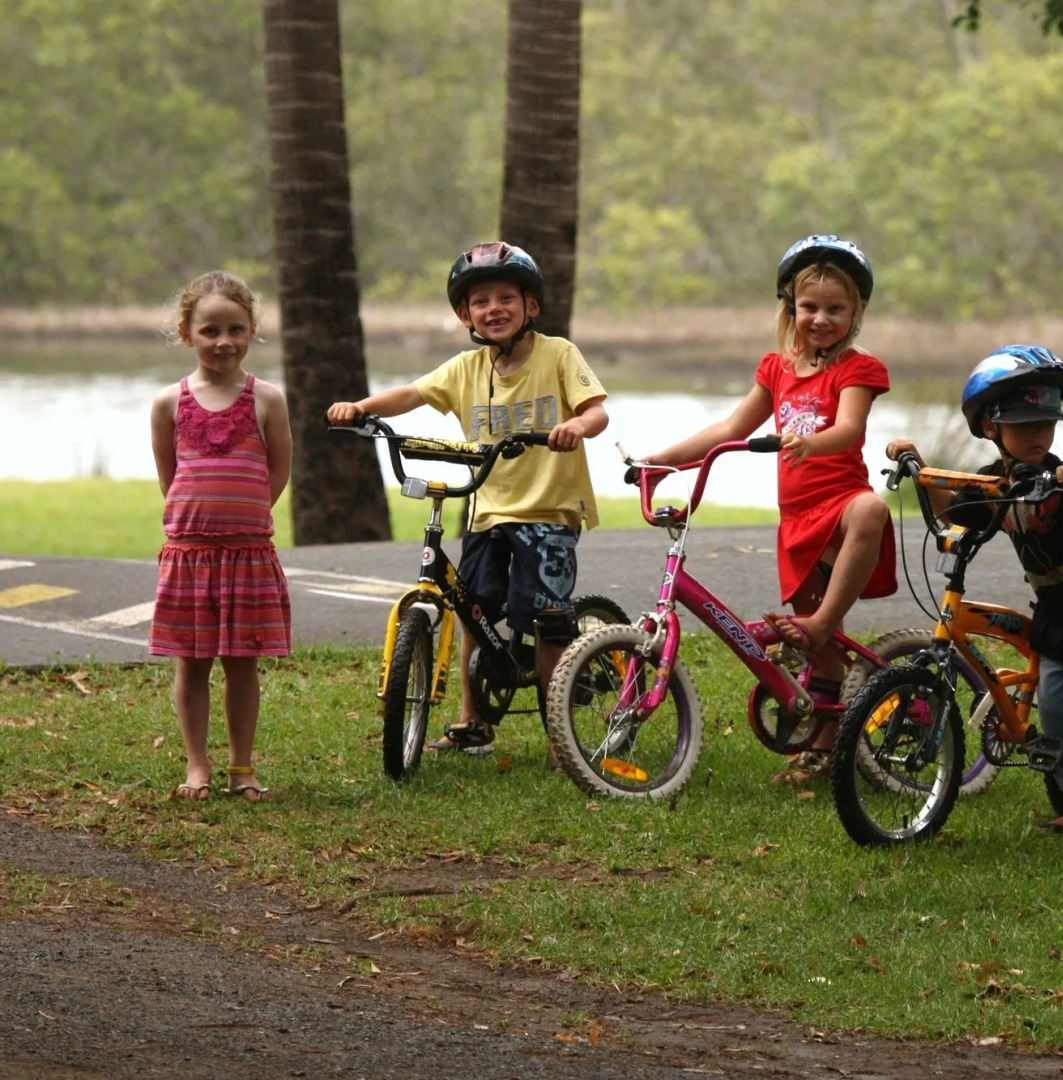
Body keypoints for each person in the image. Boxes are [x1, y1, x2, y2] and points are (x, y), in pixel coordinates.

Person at [326, 242, 609, 754]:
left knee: (546, 621)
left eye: (507, 297)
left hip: (548, 511)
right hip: (489, 511)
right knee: (470, 609)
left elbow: (597, 411)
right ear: (464, 315)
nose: (494, 308)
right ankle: (471, 720)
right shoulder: (464, 369)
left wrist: (575, 425)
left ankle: (561, 736)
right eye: (480, 302)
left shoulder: (559, 355)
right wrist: (360, 408)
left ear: (532, 307)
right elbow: (411, 395)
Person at [641, 234, 898, 783]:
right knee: (823, 656)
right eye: (809, 307)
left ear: (856, 312)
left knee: (871, 510)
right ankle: (825, 746)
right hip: (798, 519)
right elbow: (731, 429)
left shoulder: (858, 369)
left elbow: (850, 428)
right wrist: (664, 460)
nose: (821, 319)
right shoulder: (777, 369)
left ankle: (825, 621)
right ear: (790, 307)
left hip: (840, 503)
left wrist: (814, 442)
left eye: (835, 309)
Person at [887, 345, 1063, 851]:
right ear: (991, 427)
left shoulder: (1061, 480)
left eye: (1047, 424)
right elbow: (952, 510)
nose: (1039, 435)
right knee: (1061, 718)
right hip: (1057, 621)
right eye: (1024, 424)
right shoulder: (996, 483)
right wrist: (919, 465)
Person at [149, 270, 292, 802]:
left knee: (242, 665)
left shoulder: (268, 399)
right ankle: (196, 765)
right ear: (187, 333)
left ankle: (242, 767)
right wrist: (199, 523)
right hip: (189, 556)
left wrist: (247, 516)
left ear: (252, 329)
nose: (224, 341)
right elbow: (171, 478)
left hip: (248, 555)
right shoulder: (169, 403)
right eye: (210, 331)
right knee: (192, 662)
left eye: (235, 329)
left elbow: (277, 472)